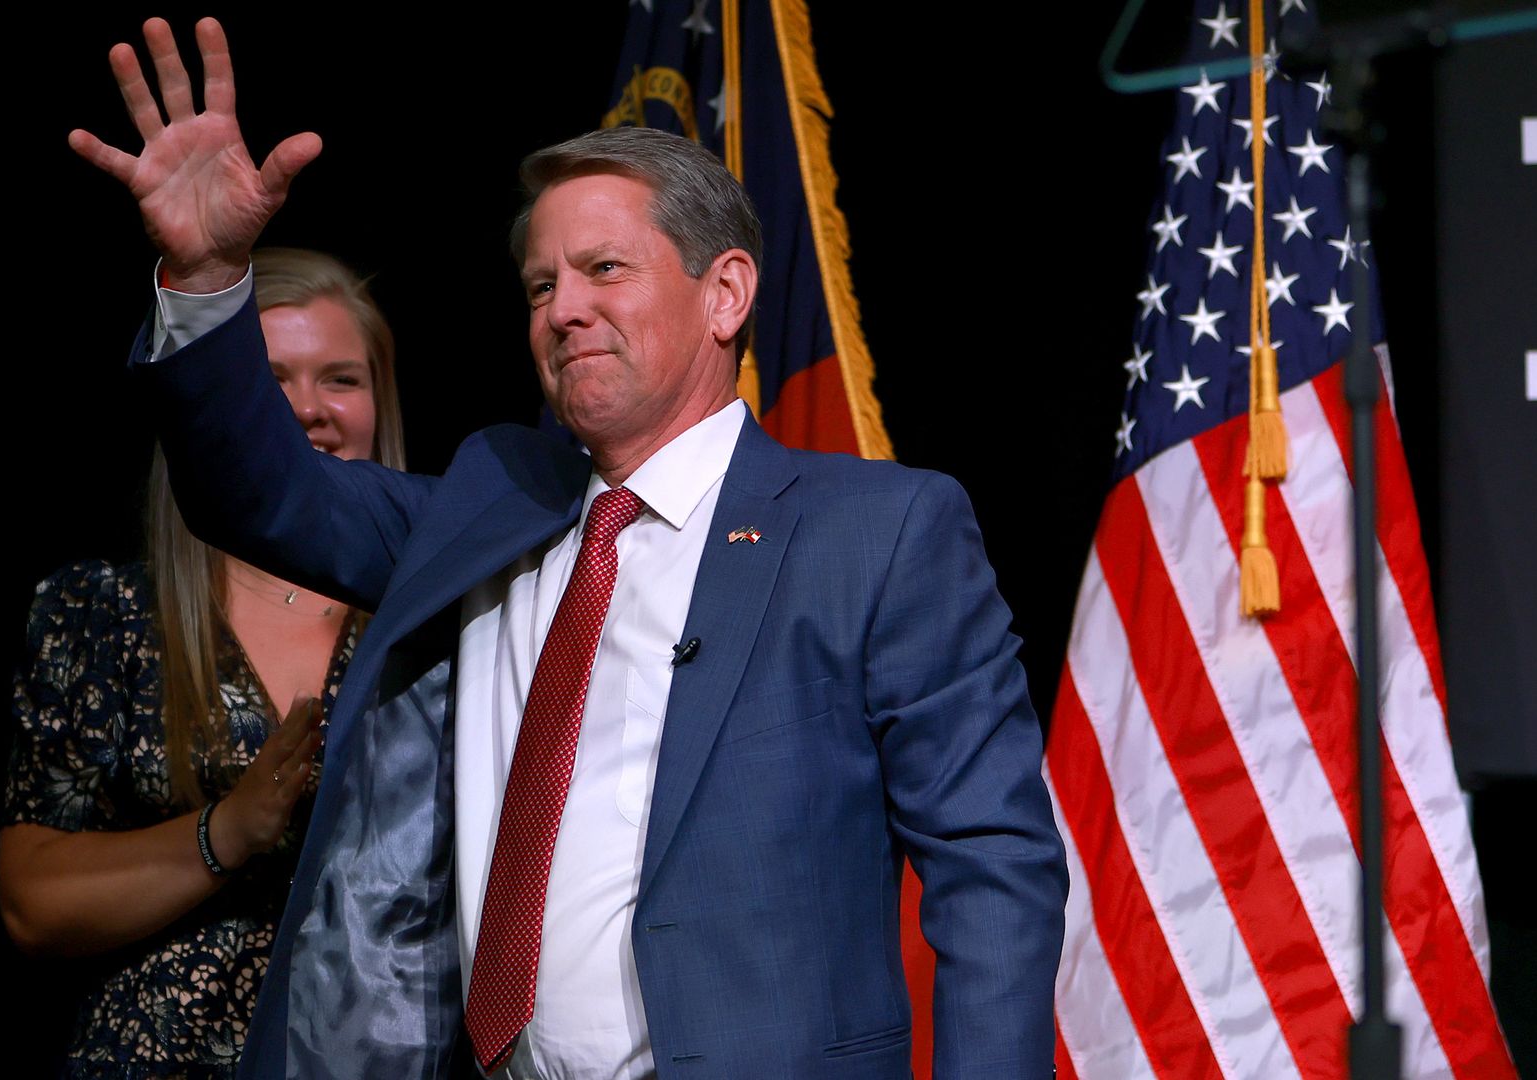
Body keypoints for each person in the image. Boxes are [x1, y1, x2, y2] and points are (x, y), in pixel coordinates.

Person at [75, 17, 1067, 1079]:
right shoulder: (487, 503)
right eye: (543, 285)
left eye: (604, 269)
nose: (566, 310)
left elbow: (993, 865)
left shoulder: (877, 531)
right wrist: (207, 275)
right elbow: (253, 495)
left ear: (725, 293)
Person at [0, 247, 407, 1078]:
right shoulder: (107, 614)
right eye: (271, 379)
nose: (308, 410)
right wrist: (228, 831)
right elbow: (30, 902)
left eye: (341, 379)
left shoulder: (444, 622)